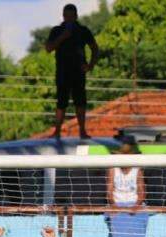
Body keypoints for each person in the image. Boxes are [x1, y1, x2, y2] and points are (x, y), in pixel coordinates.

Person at [45, 3, 99, 139]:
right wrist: (63, 36)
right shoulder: (57, 30)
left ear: (76, 16)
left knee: (80, 102)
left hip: (78, 72)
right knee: (61, 102)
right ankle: (57, 132)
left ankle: (82, 131)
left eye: (71, 16)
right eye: (66, 16)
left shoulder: (83, 30)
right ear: (63, 16)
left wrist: (90, 65)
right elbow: (48, 48)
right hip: (62, 72)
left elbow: (95, 48)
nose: (68, 18)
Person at [105, 141, 149, 237]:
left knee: (138, 216)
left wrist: (135, 206)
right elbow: (109, 190)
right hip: (117, 203)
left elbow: (142, 191)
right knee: (115, 217)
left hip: (134, 203)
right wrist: (114, 205)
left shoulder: (137, 170)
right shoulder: (113, 169)